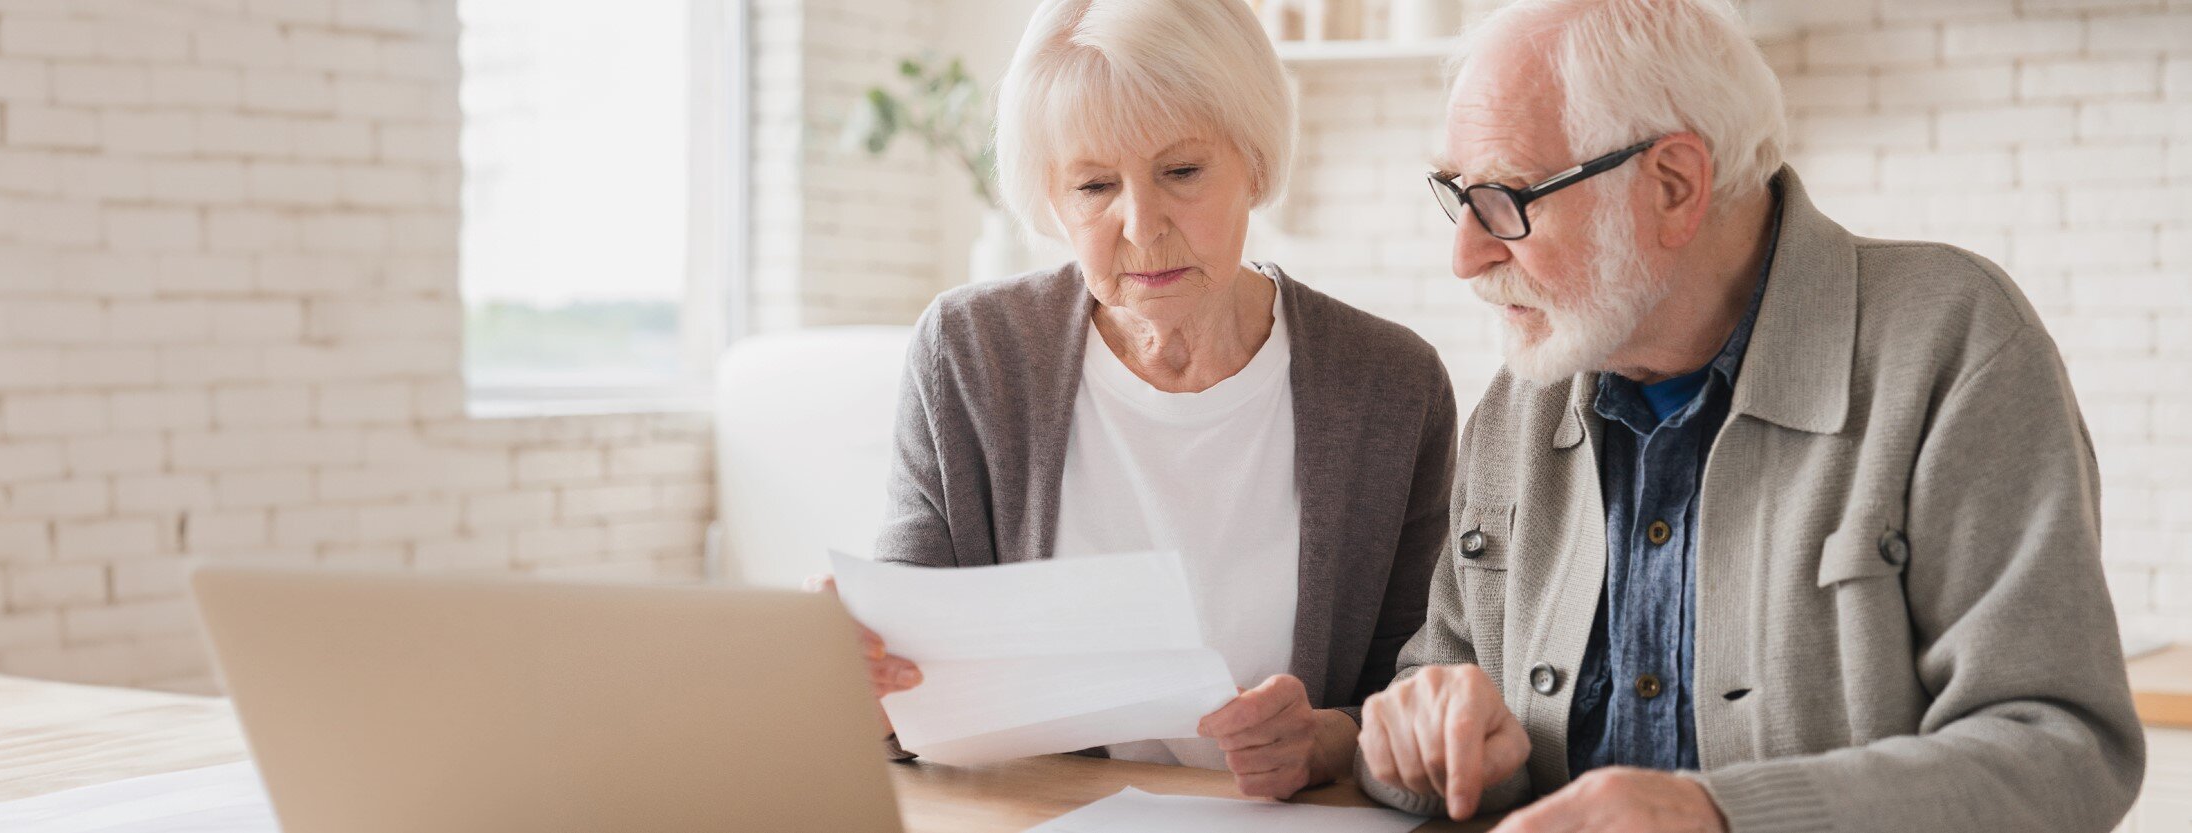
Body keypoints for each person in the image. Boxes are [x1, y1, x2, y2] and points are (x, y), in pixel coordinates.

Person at [1352, 0, 2146, 830]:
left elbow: (2062, 752)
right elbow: (1434, 683)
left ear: (1674, 184)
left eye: (1508, 198)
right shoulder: (1522, 398)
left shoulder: (1952, 344)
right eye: (1457, 194)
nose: (1465, 255)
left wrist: (1719, 813)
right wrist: (1421, 738)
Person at [826, 0, 1456, 800]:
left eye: (1182, 172)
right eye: (1094, 185)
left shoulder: (1391, 386)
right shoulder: (970, 354)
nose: (1142, 224)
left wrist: (1329, 738)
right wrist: (859, 675)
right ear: (1052, 203)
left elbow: (1424, 687)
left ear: (1255, 164)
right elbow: (905, 691)